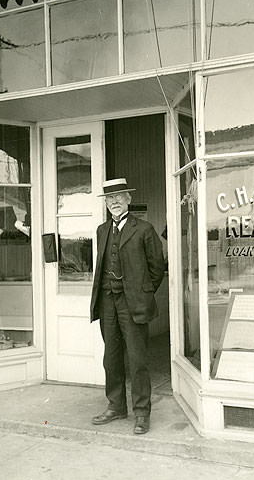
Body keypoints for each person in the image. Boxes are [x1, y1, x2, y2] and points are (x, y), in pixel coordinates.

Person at [90, 178, 165, 435]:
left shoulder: (143, 229)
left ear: (129, 200)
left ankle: (142, 413)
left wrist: (141, 293)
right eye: (110, 198)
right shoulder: (102, 230)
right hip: (107, 302)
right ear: (106, 203)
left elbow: (157, 268)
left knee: (137, 359)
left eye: (120, 197)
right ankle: (116, 406)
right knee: (111, 357)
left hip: (132, 303)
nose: (115, 202)